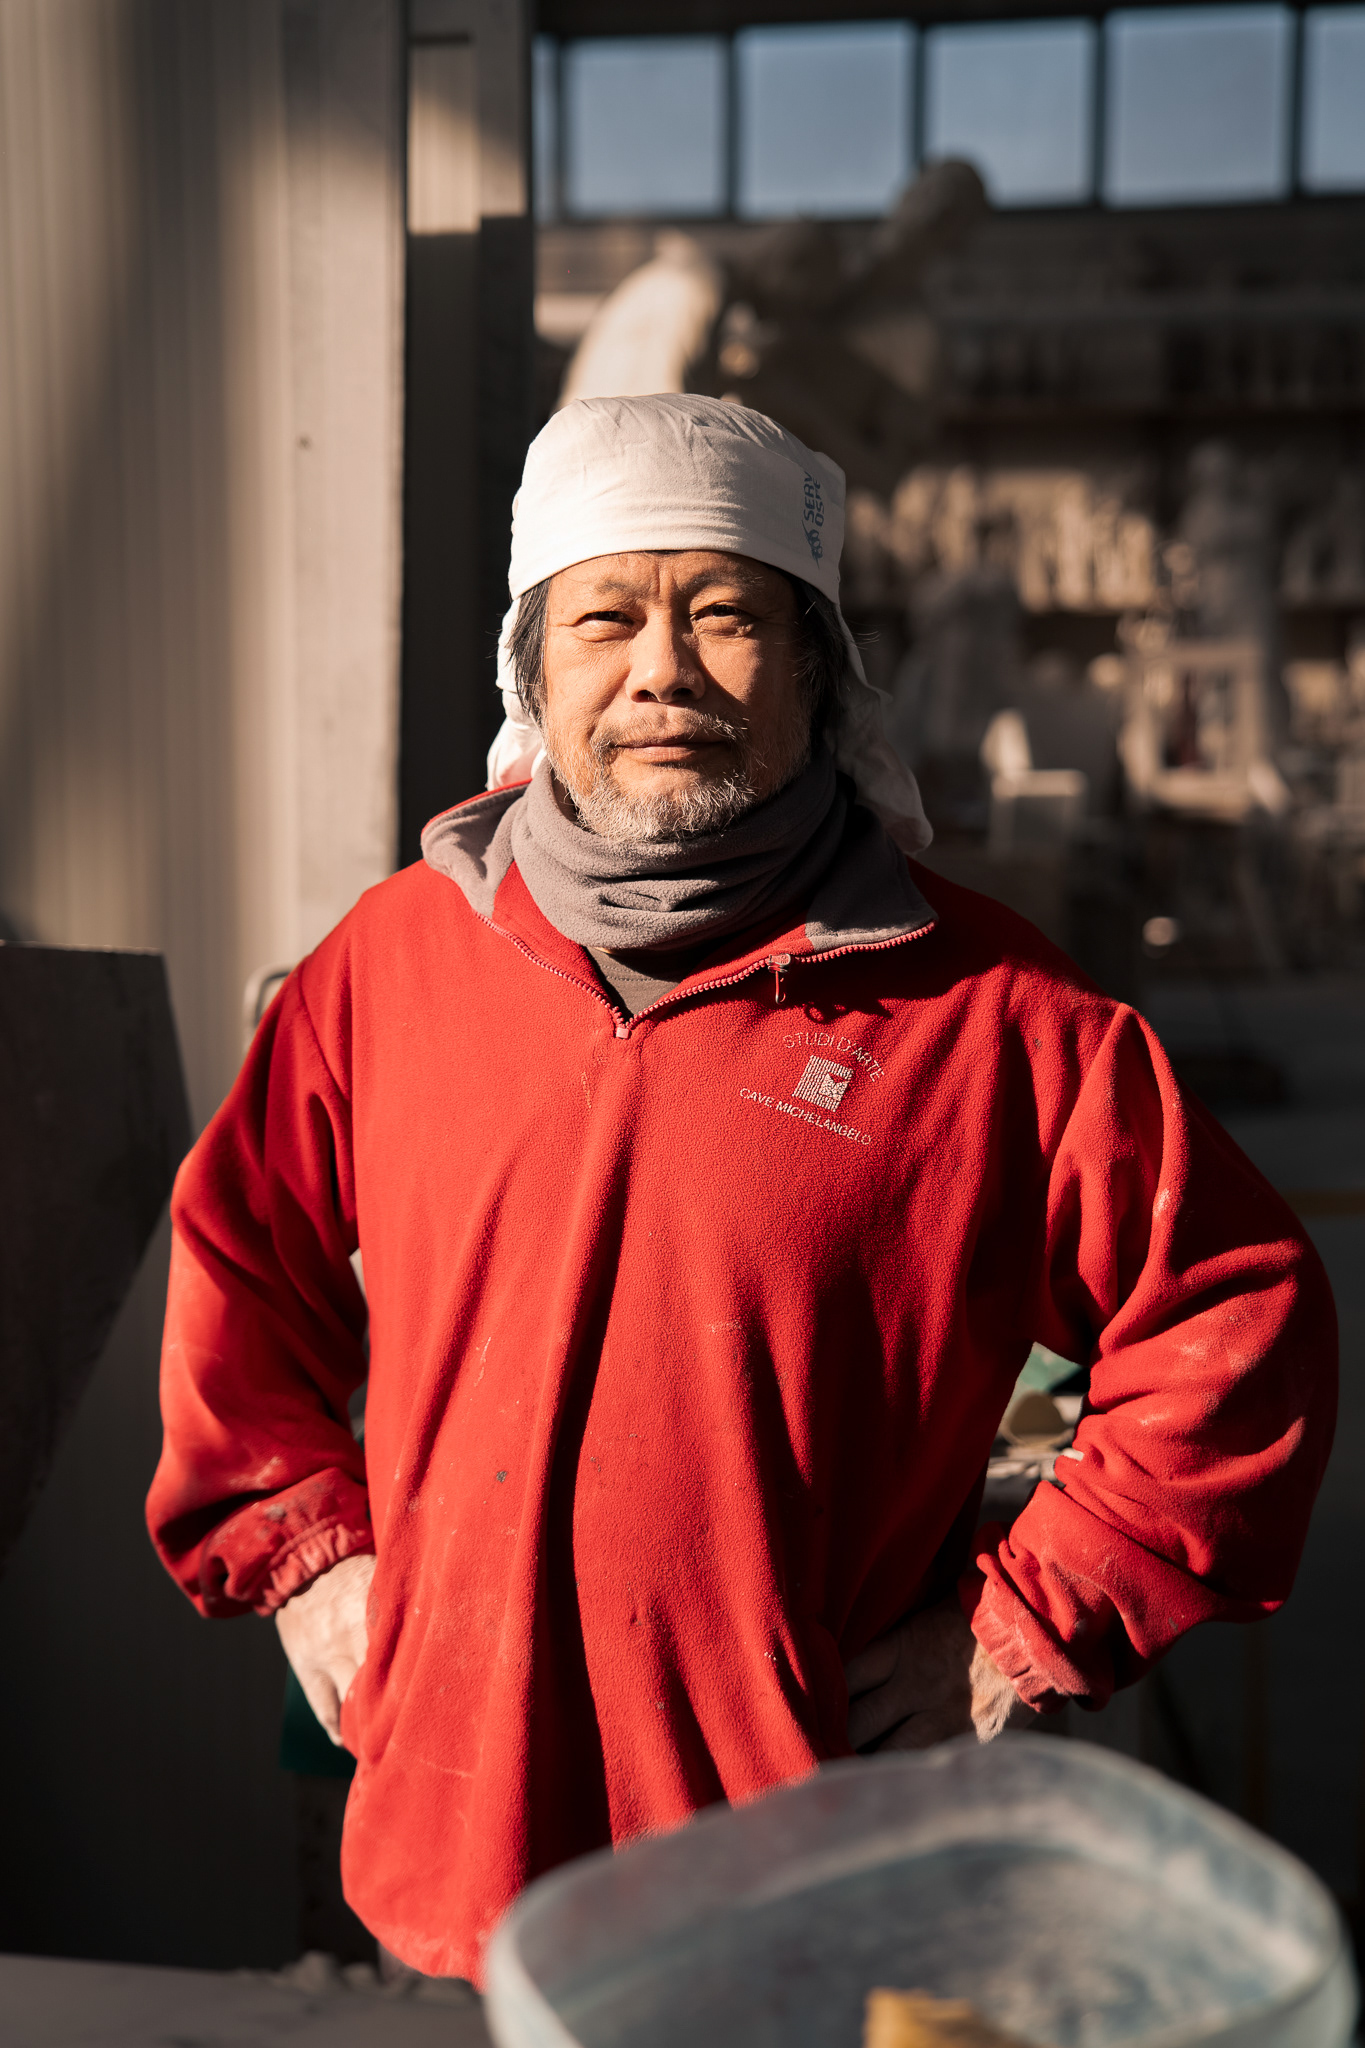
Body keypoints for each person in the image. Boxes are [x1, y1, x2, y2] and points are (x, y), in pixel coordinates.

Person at [147, 394, 1336, 1984]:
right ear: (531, 670)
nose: (661, 670)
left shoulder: (991, 1017)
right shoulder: (394, 964)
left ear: (816, 669)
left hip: (801, 1896)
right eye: (604, 619)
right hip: (454, 1856)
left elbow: (1235, 1323)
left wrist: (1022, 1626)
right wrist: (306, 1554)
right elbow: (241, 1252)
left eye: (722, 615)